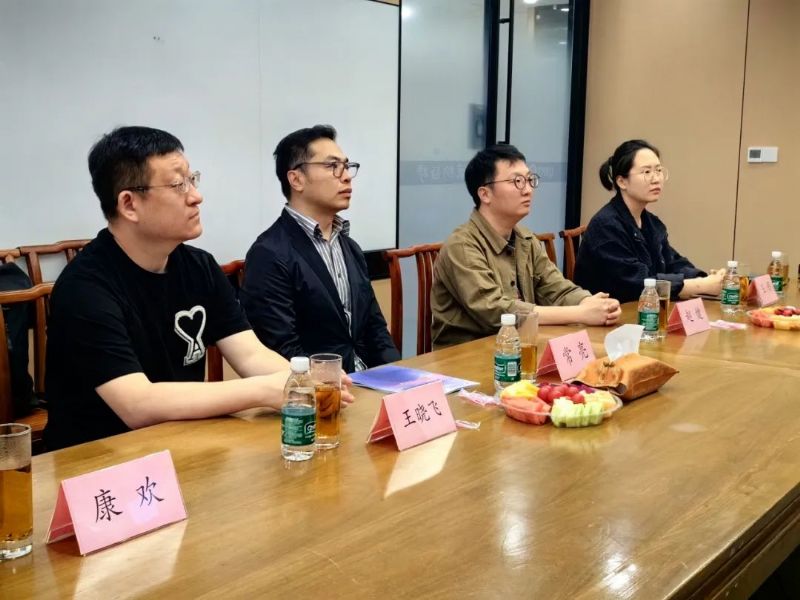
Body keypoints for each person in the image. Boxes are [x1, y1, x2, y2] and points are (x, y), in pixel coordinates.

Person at [44, 126, 351, 450]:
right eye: (179, 185)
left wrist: (306, 382)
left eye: (193, 180)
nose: (195, 196)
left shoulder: (199, 267)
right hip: (98, 461)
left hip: (179, 444)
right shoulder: (84, 288)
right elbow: (137, 404)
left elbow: (250, 354)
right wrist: (265, 391)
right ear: (129, 204)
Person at [241, 125, 399, 372]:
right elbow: (283, 350)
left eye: (346, 166)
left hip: (367, 380)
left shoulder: (350, 247)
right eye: (332, 166)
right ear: (296, 179)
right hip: (320, 388)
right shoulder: (269, 253)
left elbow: (375, 329)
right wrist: (337, 386)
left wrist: (401, 378)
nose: (346, 176)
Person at [431, 144, 621, 348]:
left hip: (519, 347)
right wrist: (580, 313)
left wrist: (591, 303)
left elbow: (557, 289)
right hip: (468, 356)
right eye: (517, 181)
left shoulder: (525, 239)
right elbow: (495, 311)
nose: (528, 190)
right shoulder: (462, 245)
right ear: (485, 194)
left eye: (530, 180)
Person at [574, 139, 725, 303]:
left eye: (658, 170)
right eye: (646, 172)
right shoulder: (606, 225)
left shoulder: (651, 222)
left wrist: (705, 279)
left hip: (644, 310)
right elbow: (637, 283)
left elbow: (673, 262)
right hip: (613, 312)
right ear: (622, 181)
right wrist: (699, 286)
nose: (656, 179)